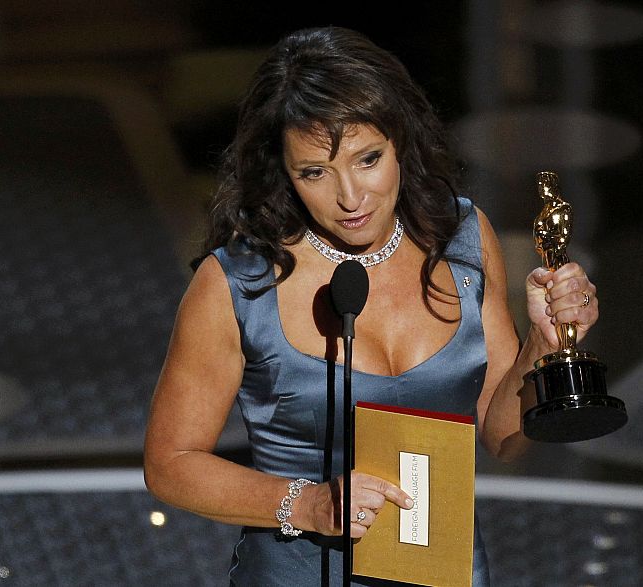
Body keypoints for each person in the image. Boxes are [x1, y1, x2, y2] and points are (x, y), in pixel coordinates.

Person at [143, 26, 599, 586]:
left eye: (368, 159)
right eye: (315, 173)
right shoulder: (238, 283)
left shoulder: (461, 238)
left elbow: (504, 438)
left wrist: (542, 345)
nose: (351, 198)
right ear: (283, 172)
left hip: (444, 574)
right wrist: (307, 504)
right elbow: (171, 465)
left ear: (400, 140)